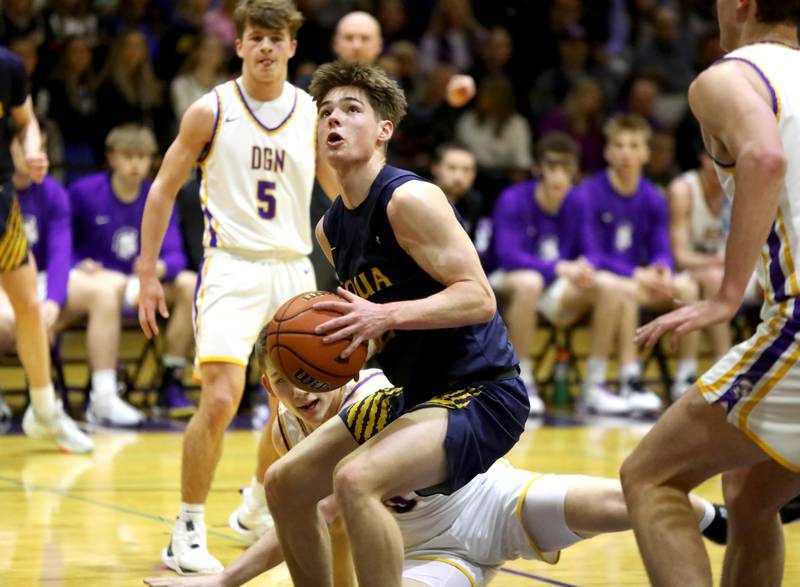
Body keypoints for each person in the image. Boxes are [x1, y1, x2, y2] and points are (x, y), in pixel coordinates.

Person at [143, 323, 724, 587]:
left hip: (489, 500)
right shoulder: (284, 435)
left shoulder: (375, 394)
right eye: (289, 381)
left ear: (340, 367)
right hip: (422, 558)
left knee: (615, 504)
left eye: (314, 376)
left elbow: (323, 514)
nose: (305, 391)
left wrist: (227, 581)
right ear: (268, 388)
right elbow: (326, 530)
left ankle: (714, 517)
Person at [263, 60, 529, 587]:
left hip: (481, 391)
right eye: (325, 112)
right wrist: (349, 341)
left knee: (356, 479)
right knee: (285, 481)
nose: (333, 119)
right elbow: (383, 322)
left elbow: (479, 298)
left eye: (351, 109)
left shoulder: (410, 198)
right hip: (414, 394)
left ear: (384, 130)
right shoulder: (330, 229)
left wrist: (381, 315)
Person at [137, 0, 339, 575]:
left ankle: (256, 504)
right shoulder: (211, 109)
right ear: (241, 45)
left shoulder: (310, 114)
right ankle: (187, 529)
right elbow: (161, 191)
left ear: (293, 48)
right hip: (231, 264)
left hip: (293, 267)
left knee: (301, 407)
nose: (268, 48)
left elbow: (340, 195)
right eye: (257, 38)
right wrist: (148, 273)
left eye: (277, 39)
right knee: (222, 398)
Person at [621, 3, 800, 586]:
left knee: (650, 478)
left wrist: (726, 296)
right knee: (749, 493)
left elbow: (765, 156)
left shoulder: (729, 76)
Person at [487, 132, 640, 416]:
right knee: (530, 282)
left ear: (575, 172)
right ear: (538, 170)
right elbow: (509, 257)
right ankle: (520, 378)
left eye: (566, 168)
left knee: (611, 285)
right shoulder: (513, 198)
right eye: (552, 167)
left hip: (556, 282)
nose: (559, 176)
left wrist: (585, 266)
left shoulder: (577, 202)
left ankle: (594, 384)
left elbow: (593, 250)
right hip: (504, 280)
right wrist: (558, 267)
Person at [67, 124, 196, 426]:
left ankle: (171, 379)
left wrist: (162, 267)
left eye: (143, 156)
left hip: (141, 284)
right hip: (98, 284)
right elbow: (62, 246)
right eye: (128, 156)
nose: (136, 164)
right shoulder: (84, 192)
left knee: (190, 284)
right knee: (106, 289)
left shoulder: (159, 195)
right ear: (111, 157)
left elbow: (177, 254)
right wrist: (80, 263)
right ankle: (103, 392)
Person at [0, 45, 92, 453]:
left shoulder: (7, 65)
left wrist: (34, 148)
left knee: (30, 307)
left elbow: (26, 120)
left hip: (2, 199)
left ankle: (43, 409)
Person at [580, 113, 700, 411]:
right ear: (607, 152)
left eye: (634, 146)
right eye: (619, 145)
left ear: (646, 152)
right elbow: (592, 253)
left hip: (638, 279)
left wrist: (662, 267)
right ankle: (628, 377)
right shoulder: (588, 193)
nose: (626, 153)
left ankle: (686, 378)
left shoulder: (653, 196)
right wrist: (638, 273)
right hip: (599, 280)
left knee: (687, 288)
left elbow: (662, 246)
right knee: (625, 290)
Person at [0, 139, 71, 401]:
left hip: (36, 277)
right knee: (7, 322)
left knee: (104, 293)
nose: (34, 154)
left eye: (39, 146)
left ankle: (101, 393)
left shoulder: (53, 192)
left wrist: (54, 299)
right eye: (24, 147)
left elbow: (60, 253)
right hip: (5, 278)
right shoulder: (3, 194)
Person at [667, 151, 732, 370]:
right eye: (710, 156)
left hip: (732, 273)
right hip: (693, 274)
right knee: (713, 279)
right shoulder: (683, 189)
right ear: (701, 157)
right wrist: (718, 261)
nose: (716, 164)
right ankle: (722, 364)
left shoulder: (739, 185)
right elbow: (680, 257)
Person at [430, 142, 483, 244]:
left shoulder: (474, 202)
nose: (458, 177)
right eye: (452, 168)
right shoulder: (420, 198)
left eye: (467, 170)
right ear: (435, 168)